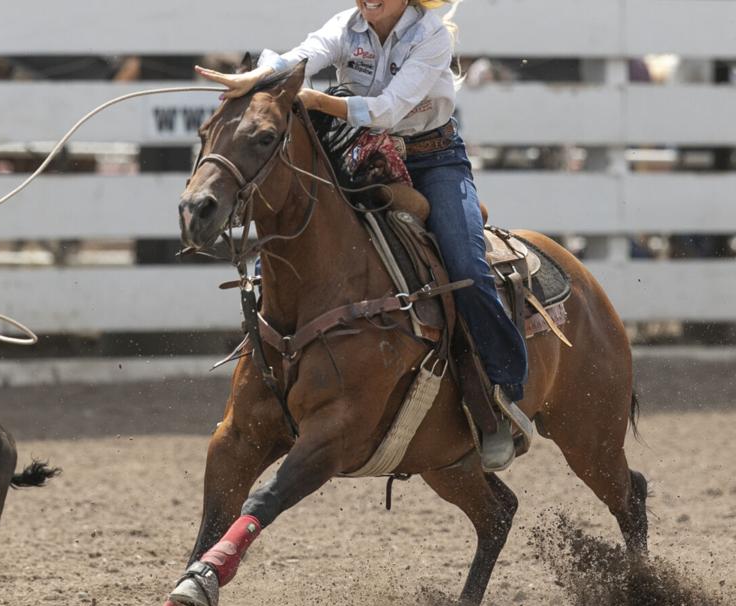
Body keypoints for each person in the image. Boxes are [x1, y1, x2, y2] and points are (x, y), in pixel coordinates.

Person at [193, 0, 527, 471]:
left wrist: (310, 100)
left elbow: (388, 109)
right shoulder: (347, 27)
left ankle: (501, 394)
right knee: (298, 236)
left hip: (433, 160)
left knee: (467, 267)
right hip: (361, 152)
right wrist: (258, 77)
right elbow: (302, 54)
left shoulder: (432, 35)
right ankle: (273, 361)